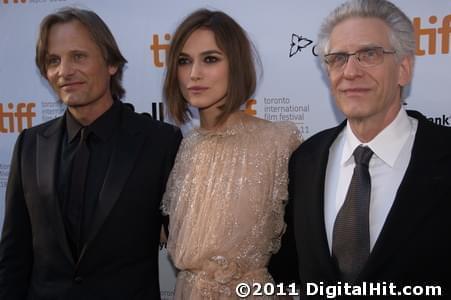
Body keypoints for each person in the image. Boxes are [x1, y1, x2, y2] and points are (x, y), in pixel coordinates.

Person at [271, 0, 451, 298]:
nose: (350, 71)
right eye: (338, 58)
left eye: (369, 54)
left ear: (404, 69)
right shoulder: (305, 160)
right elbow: (290, 272)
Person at [0, 7, 181, 300]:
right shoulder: (30, 144)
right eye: (53, 61)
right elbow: (13, 253)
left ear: (111, 63)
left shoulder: (159, 142)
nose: (65, 71)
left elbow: (185, 243)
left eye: (78, 56)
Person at [161, 9, 302, 299]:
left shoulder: (276, 142)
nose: (194, 74)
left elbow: (300, 250)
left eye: (210, 59)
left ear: (236, 65)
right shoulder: (184, 147)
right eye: (184, 61)